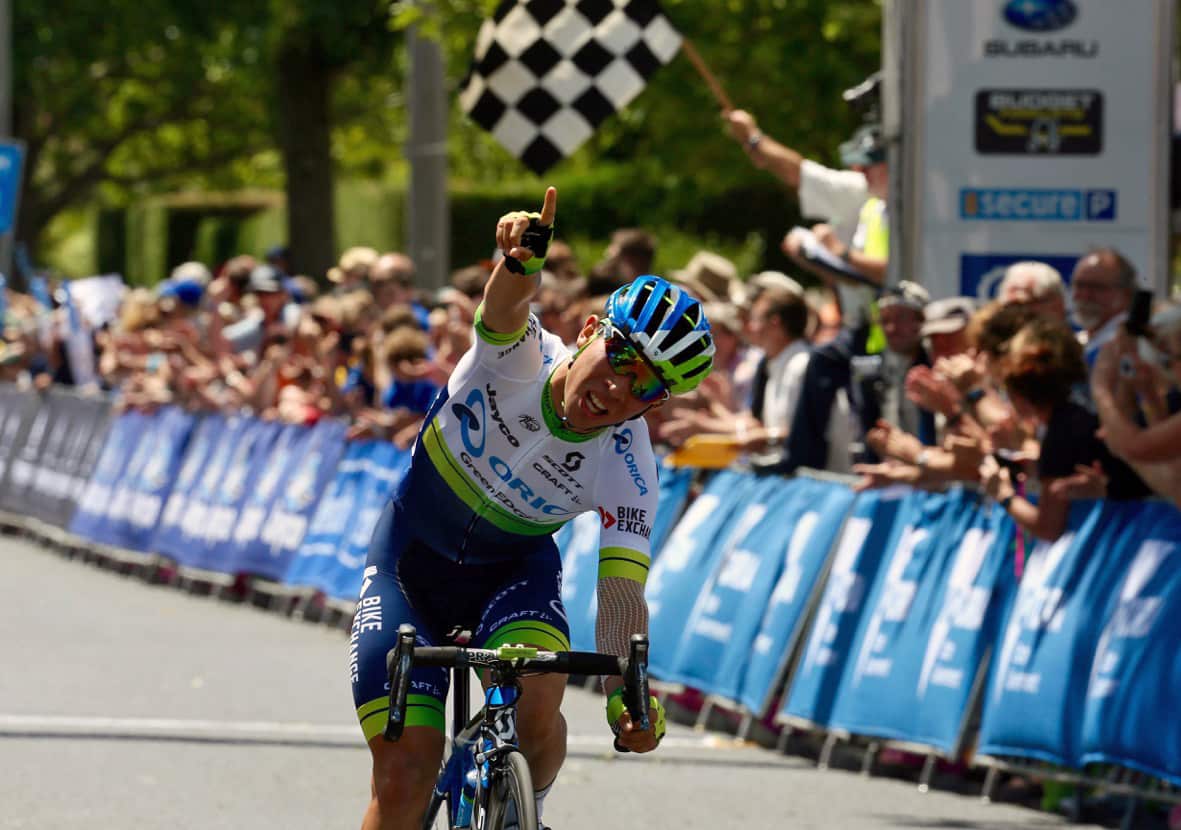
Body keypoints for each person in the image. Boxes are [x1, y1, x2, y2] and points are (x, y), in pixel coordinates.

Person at [351, 187, 713, 830]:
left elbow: (621, 595)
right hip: (409, 565)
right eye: (620, 357)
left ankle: (524, 810)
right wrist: (520, 263)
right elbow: (505, 305)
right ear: (591, 331)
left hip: (512, 575)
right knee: (405, 774)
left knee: (539, 693)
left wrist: (626, 697)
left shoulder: (629, 465)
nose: (617, 388)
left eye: (644, 388)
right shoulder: (518, 356)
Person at [1068, 248, 1137, 365]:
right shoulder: (1079, 341)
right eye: (1079, 285)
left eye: (1096, 287)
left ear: (1126, 294)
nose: (1085, 295)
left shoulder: (1131, 344)